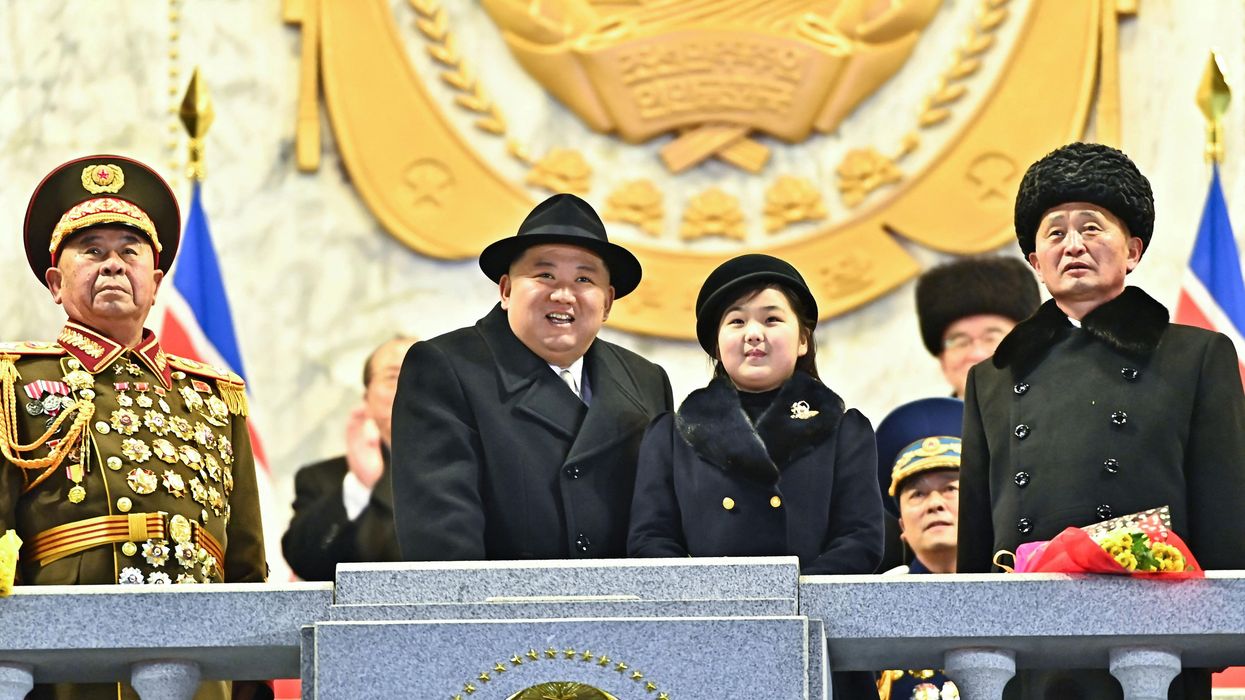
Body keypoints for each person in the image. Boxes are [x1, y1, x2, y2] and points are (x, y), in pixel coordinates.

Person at [958, 142, 1245, 699]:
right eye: (1056, 233)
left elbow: (1224, 510)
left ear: (1133, 250)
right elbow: (976, 537)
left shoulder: (1196, 356)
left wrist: (1221, 630)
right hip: (1025, 641)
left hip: (1156, 636)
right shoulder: (991, 376)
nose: (1074, 245)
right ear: (1035, 261)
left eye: (1093, 228)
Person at [0, 155, 267, 699]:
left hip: (198, 660)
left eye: (129, 252)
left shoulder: (215, 394)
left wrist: (250, 682)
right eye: (92, 252)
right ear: (56, 282)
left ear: (157, 279)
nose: (113, 265)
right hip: (66, 667)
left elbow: (244, 567)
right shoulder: (15, 381)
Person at [627, 254, 882, 699]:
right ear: (716, 344)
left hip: (819, 643)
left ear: (803, 340)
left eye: (771, 318)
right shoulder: (671, 434)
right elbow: (650, 540)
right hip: (703, 644)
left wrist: (785, 599)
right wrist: (723, 602)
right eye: (736, 321)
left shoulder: (844, 429)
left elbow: (861, 540)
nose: (754, 334)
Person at [391, 193, 673, 561]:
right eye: (545, 275)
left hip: (624, 613)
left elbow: (661, 522)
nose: (563, 294)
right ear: (506, 290)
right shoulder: (447, 368)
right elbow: (442, 539)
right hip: (504, 612)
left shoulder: (646, 380)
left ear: (607, 301)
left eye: (584, 278)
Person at [281, 336, 415, 580]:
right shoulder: (321, 479)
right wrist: (360, 486)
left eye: (421, 375)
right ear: (366, 398)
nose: (409, 386)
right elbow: (304, 562)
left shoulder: (472, 471)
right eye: (393, 377)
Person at [874, 397, 963, 700]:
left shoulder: (1016, 591)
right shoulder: (877, 610)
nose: (935, 504)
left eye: (951, 489)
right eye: (917, 494)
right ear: (901, 526)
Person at [915, 256, 1041, 398]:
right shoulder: (921, 420)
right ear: (943, 361)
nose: (977, 354)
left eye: (992, 338)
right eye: (960, 342)